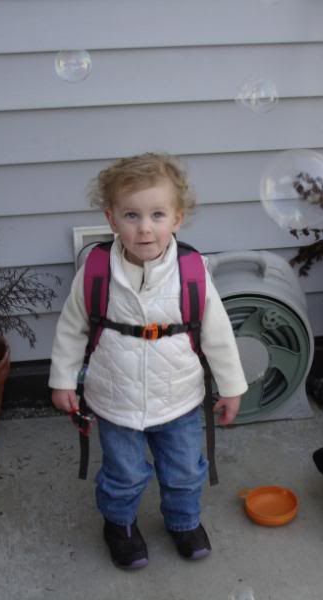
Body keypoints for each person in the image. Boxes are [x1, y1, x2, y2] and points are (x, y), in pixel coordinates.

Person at [49, 152, 248, 569]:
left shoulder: (192, 272)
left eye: (157, 214)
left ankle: (183, 521)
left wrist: (232, 387)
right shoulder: (96, 272)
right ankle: (119, 524)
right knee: (123, 475)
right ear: (111, 218)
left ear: (177, 218)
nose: (144, 227)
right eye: (131, 215)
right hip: (115, 398)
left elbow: (218, 334)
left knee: (184, 472)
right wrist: (63, 380)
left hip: (178, 398)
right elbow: (72, 328)